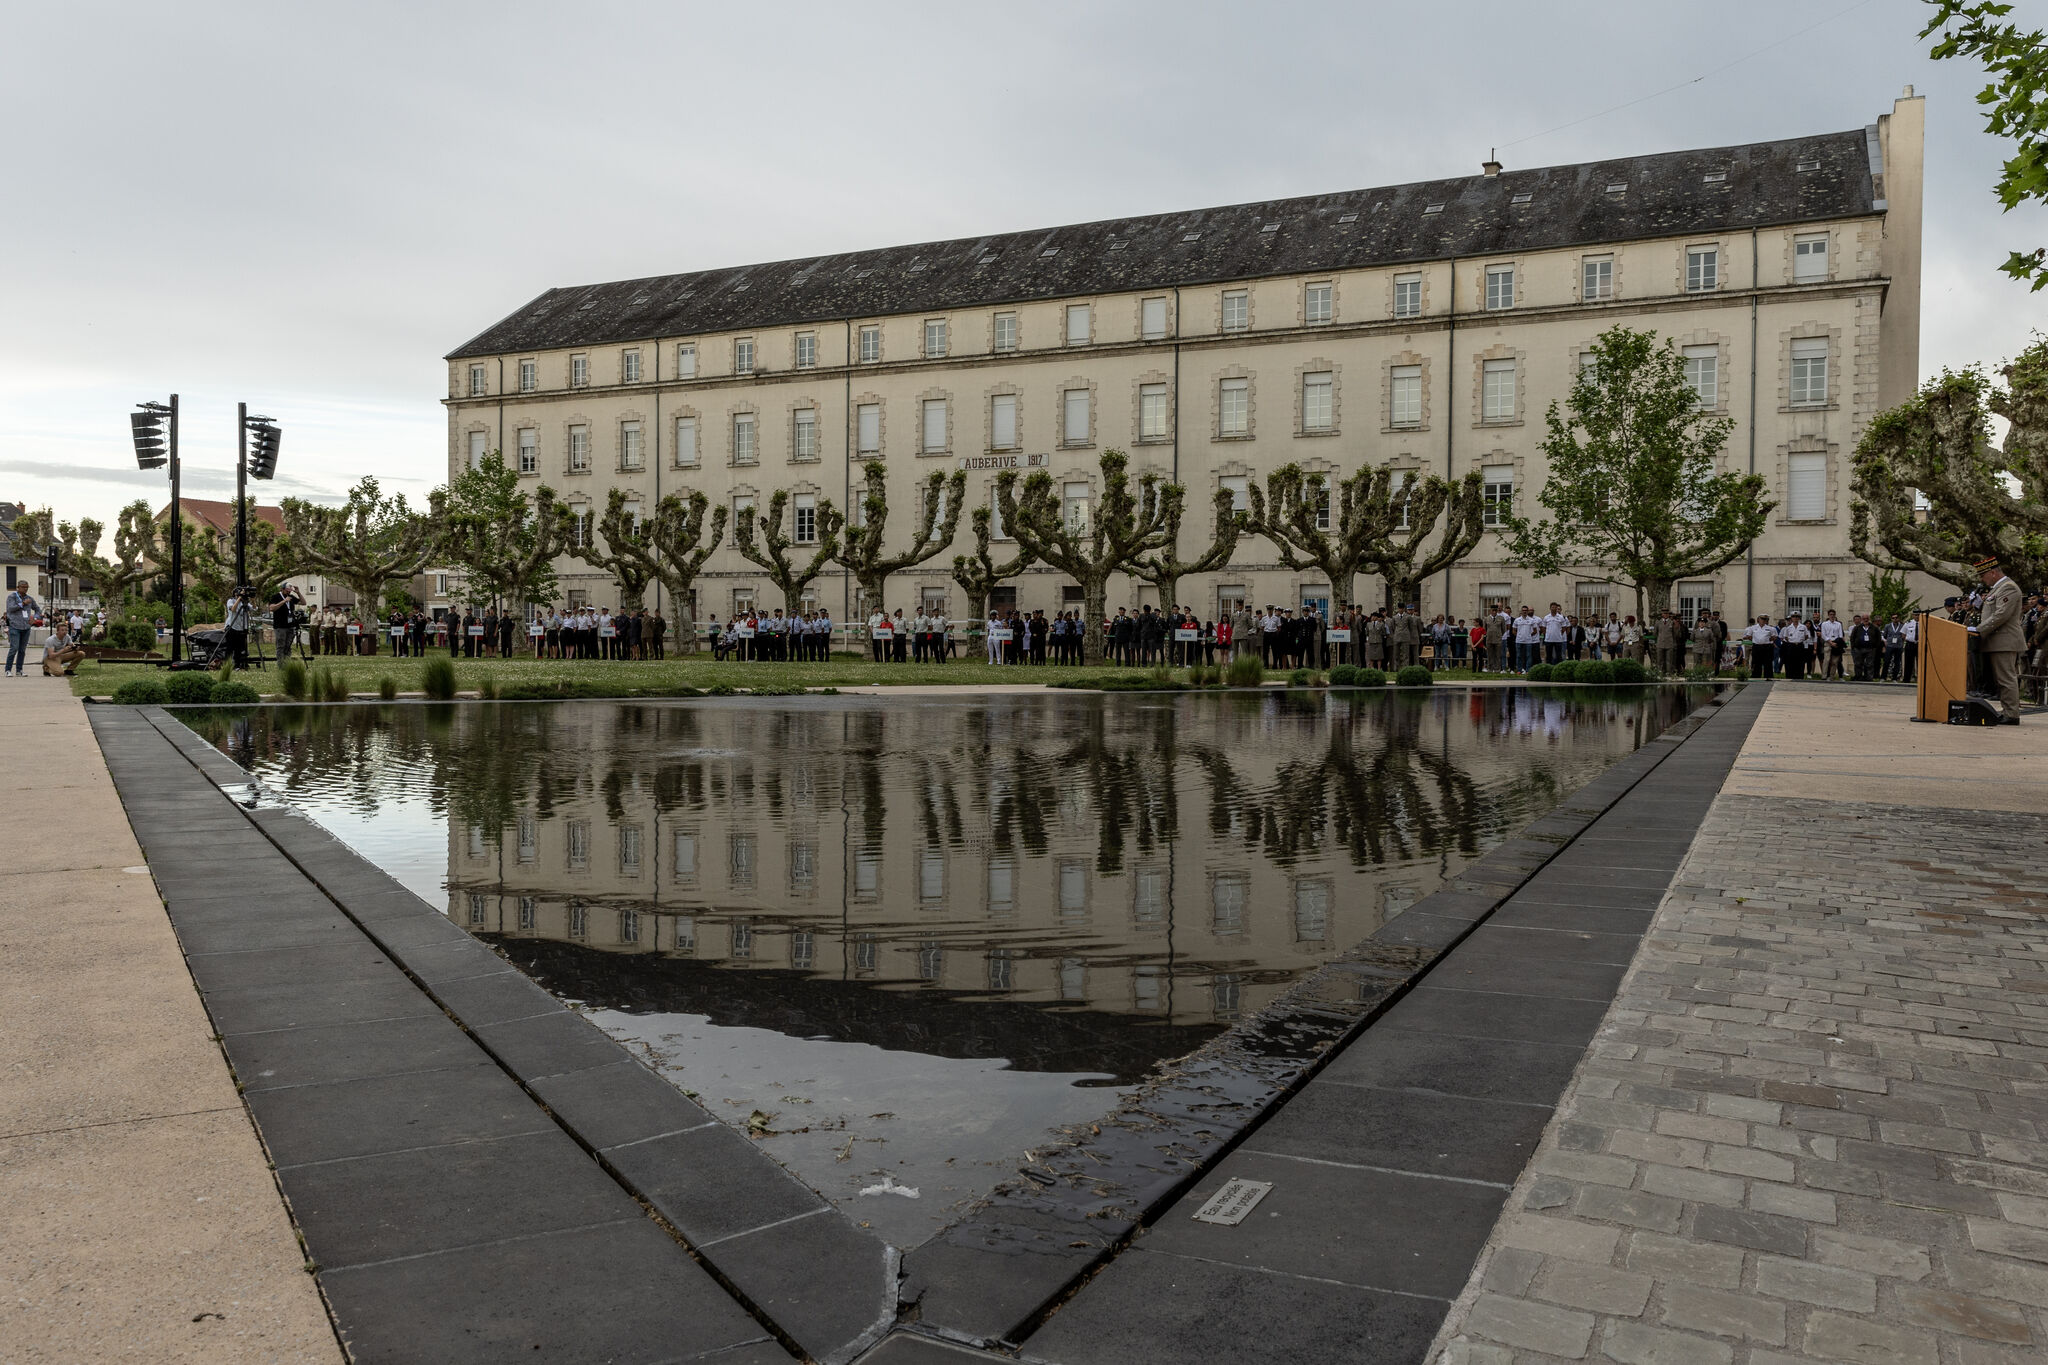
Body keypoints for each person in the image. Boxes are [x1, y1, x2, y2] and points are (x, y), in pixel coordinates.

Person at [1971, 556, 2024, 723]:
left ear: (1993, 573)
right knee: (2001, 679)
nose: (1981, 579)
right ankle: (2007, 710)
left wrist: (1978, 630)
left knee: (2006, 678)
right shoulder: (1998, 588)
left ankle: (2012, 714)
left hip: (2005, 640)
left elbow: (2001, 615)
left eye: (1983, 575)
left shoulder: (2009, 588)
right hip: (1997, 641)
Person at [6, 582, 39, 677]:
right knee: (14, 648)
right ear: (18, 587)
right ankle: (8, 669)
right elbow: (10, 609)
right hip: (15, 626)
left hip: (26, 627)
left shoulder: (30, 598)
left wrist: (35, 618)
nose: (25, 589)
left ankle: (19, 670)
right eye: (23, 587)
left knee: (22, 650)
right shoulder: (12, 597)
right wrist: (23, 603)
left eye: (26, 587)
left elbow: (37, 609)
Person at [223, 585, 255, 669]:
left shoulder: (245, 602)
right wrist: (239, 598)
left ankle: (237, 666)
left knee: (238, 649)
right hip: (231, 627)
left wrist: (252, 599)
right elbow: (233, 609)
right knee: (230, 648)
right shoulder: (231, 600)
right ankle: (227, 665)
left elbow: (254, 608)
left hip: (241, 628)